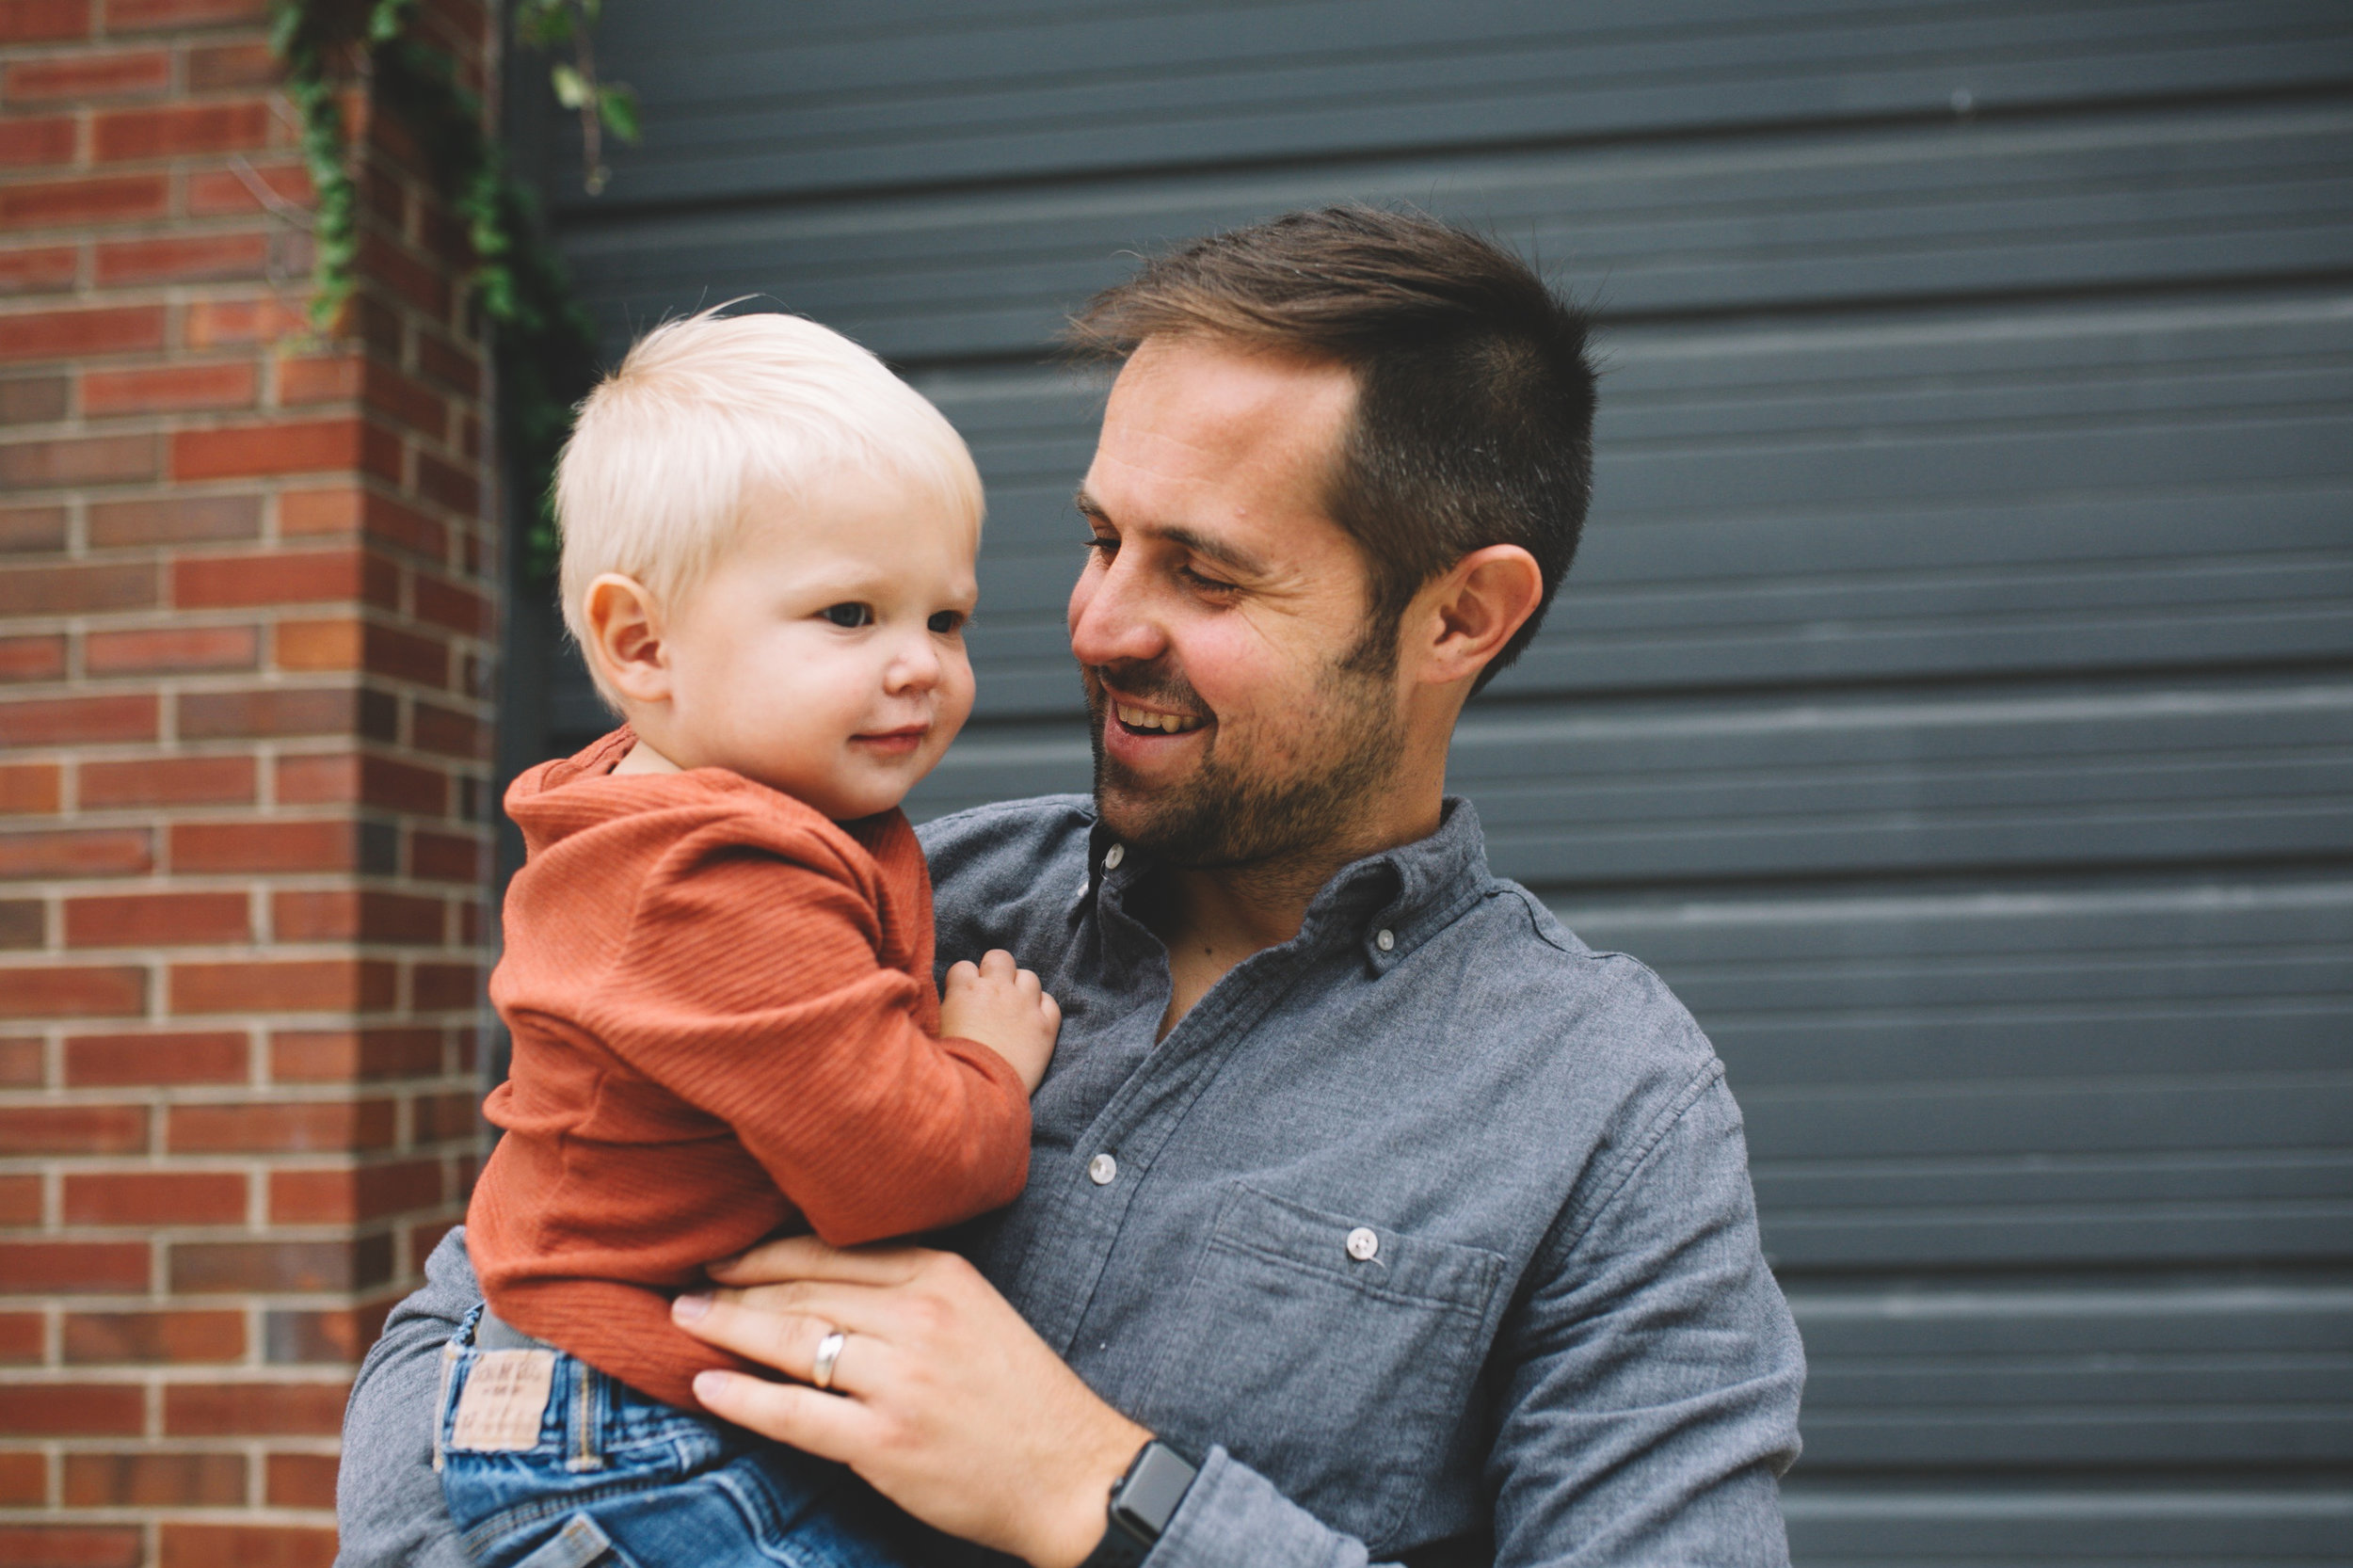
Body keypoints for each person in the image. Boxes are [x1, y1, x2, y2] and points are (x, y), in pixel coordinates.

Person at [338, 206, 1806, 1568]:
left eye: (1205, 575)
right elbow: (473, 1330)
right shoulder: (862, 894)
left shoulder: (1612, 1105)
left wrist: (1106, 1488)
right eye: (1103, 540)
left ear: (1460, 617)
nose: (1098, 623)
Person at [429, 309, 1064, 1568]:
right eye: (848, 613)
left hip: (600, 1400)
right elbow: (897, 1166)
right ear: (641, 643)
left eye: (946, 619)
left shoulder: (677, 811)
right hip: (625, 1432)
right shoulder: (713, 878)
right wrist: (987, 1061)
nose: (919, 666)